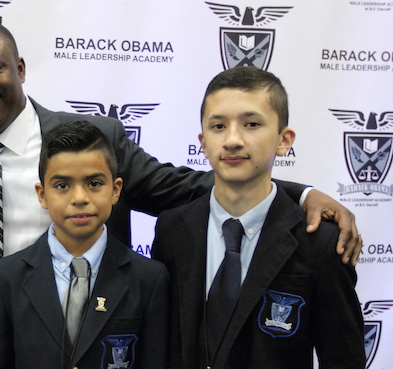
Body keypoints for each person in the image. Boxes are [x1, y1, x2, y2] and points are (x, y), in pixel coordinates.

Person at [0, 20, 362, 369]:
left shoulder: (88, 141)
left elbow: (194, 183)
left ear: (20, 66)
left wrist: (299, 189)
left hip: (78, 349)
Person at [151, 67, 365, 369]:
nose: (233, 140)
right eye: (218, 126)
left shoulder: (320, 242)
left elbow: (344, 358)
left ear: (283, 140)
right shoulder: (172, 228)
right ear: (203, 141)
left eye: (251, 124)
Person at [0, 120, 169, 369]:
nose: (79, 198)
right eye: (62, 186)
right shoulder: (6, 276)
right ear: (42, 195)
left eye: (94, 184)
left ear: (115, 189)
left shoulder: (149, 279)